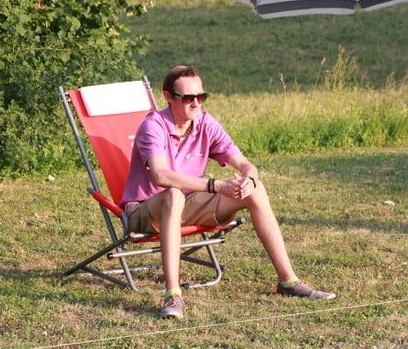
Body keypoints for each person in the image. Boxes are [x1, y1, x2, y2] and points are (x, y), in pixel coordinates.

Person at [121, 66, 336, 319]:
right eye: (188, 98)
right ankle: (173, 295)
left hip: (188, 203)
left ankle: (289, 282)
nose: (196, 103)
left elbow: (246, 164)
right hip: (144, 211)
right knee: (173, 194)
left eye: (201, 97)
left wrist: (249, 180)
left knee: (256, 190)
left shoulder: (205, 123)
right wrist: (216, 186)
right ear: (168, 97)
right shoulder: (153, 125)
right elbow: (161, 176)